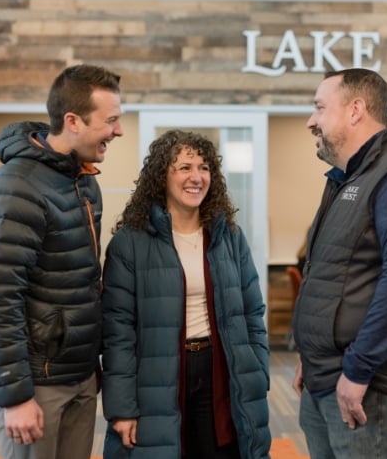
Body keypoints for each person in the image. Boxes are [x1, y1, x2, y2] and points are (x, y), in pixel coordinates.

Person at [291, 68, 387, 459]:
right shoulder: (343, 179)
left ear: (356, 109)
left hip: (368, 387)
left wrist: (359, 369)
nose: (312, 121)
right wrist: (311, 356)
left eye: (320, 108)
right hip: (325, 378)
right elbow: (327, 276)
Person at [0, 64, 123, 459]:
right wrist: (15, 395)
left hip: (82, 375)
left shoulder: (84, 181)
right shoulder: (15, 185)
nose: (118, 131)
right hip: (36, 386)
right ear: (73, 121)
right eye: (111, 120)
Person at [101, 129, 271, 459]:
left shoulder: (228, 236)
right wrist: (121, 408)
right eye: (185, 167)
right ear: (161, 175)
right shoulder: (130, 242)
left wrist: (258, 369)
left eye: (204, 168)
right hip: (158, 376)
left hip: (220, 369)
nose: (197, 177)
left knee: (221, 451)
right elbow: (117, 333)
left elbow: (252, 312)